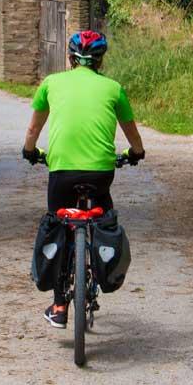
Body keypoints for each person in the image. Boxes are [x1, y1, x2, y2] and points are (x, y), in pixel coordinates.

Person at [22, 30, 145, 328]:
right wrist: (135, 153)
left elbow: (33, 132)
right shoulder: (114, 89)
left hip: (61, 171)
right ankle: (103, 269)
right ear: (101, 61)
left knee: (57, 223)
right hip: (101, 173)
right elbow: (132, 134)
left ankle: (60, 305)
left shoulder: (51, 83)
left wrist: (30, 152)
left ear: (70, 58)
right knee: (104, 218)